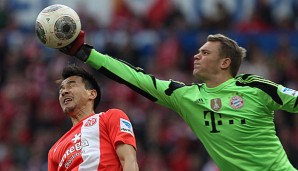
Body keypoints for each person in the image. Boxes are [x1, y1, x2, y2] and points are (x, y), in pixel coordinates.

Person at [58, 31, 298, 171]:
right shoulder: (186, 97)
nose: (197, 55)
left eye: (205, 53)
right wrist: (86, 53)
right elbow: (135, 77)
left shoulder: (253, 87)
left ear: (225, 63)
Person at [47, 64, 139, 171]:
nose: (64, 92)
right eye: (61, 90)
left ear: (92, 94)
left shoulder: (110, 117)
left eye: (71, 86)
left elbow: (129, 160)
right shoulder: (54, 151)